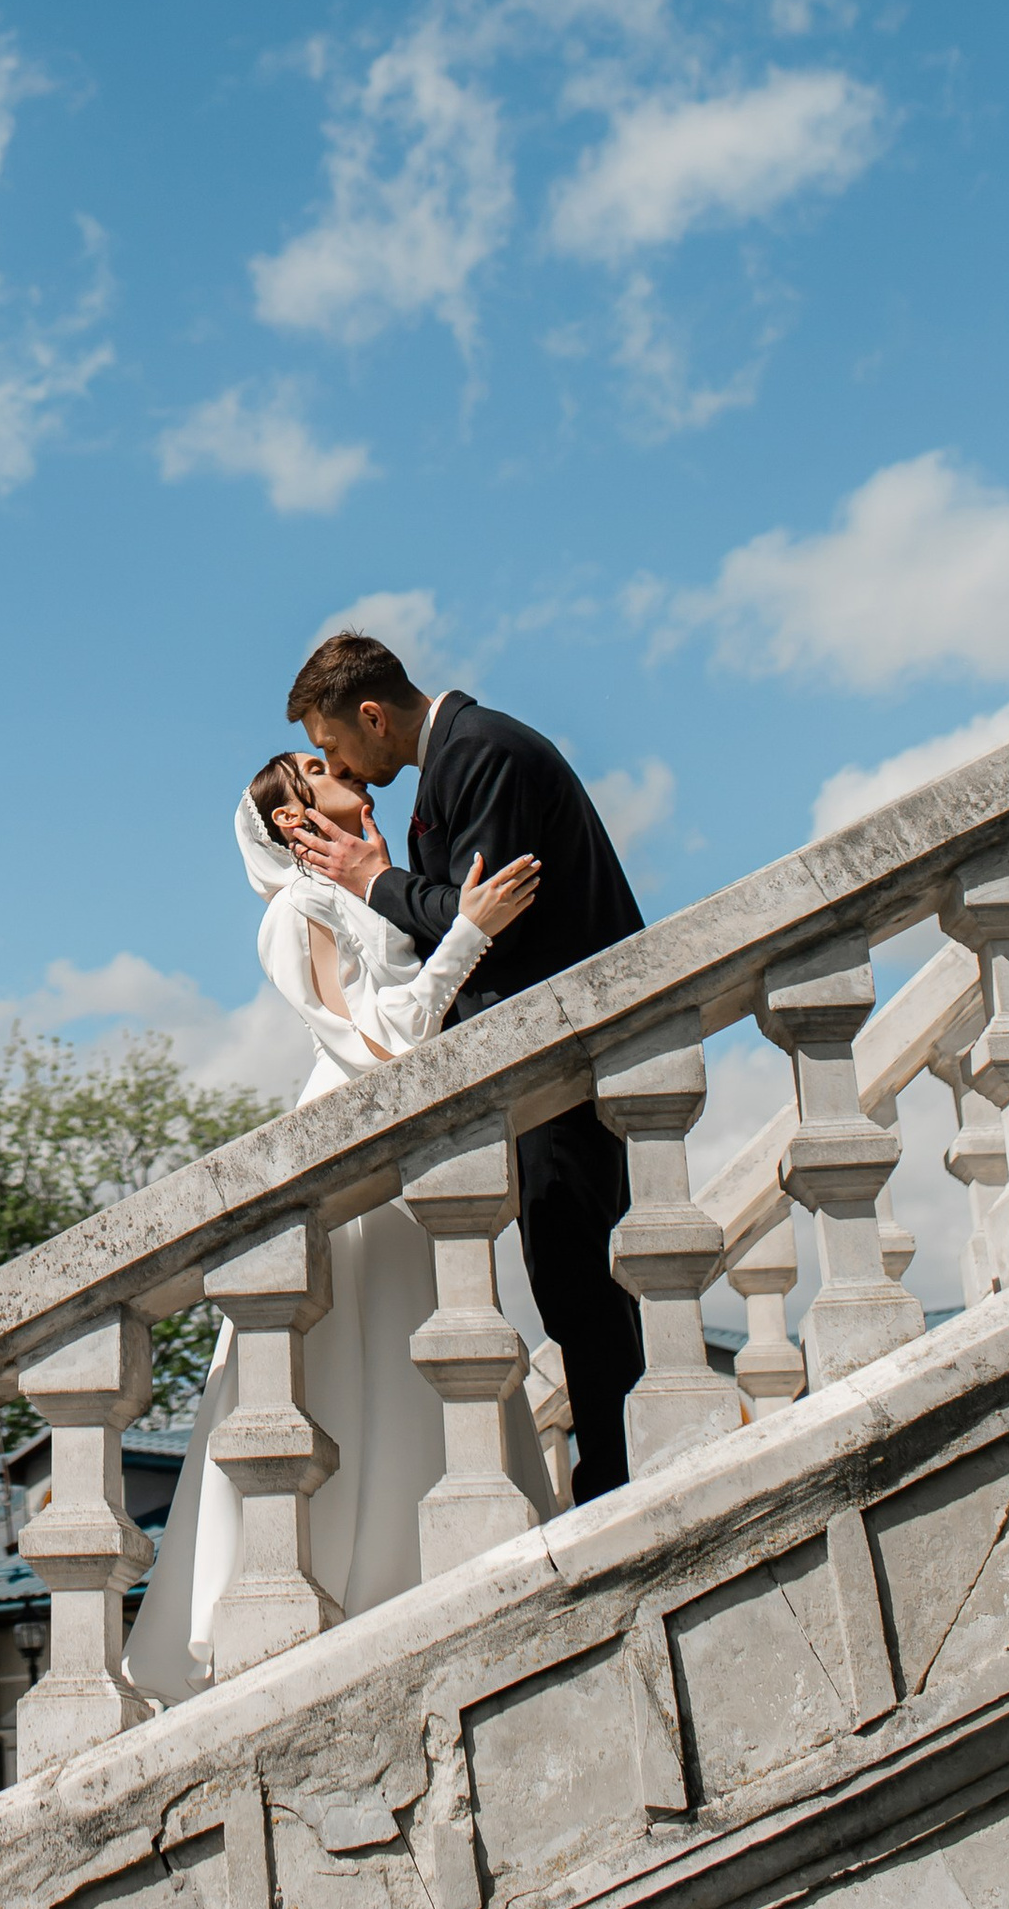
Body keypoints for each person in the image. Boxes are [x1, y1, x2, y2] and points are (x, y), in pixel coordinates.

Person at [123, 761, 547, 1701]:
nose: (341, 767)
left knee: (430, 1357)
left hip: (410, 1167)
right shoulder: (292, 916)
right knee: (360, 1366)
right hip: (356, 1163)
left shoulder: (366, 893)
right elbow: (377, 1048)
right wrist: (468, 936)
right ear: (291, 815)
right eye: (316, 770)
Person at [280, 631, 647, 1499]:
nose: (348, 769)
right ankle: (608, 1468)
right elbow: (458, 914)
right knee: (565, 1277)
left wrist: (375, 880)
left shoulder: (479, 752)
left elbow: (488, 918)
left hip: (562, 1053)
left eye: (334, 746)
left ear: (371, 715)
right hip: (535, 1062)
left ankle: (618, 1477)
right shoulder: (457, 761)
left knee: (581, 1276)